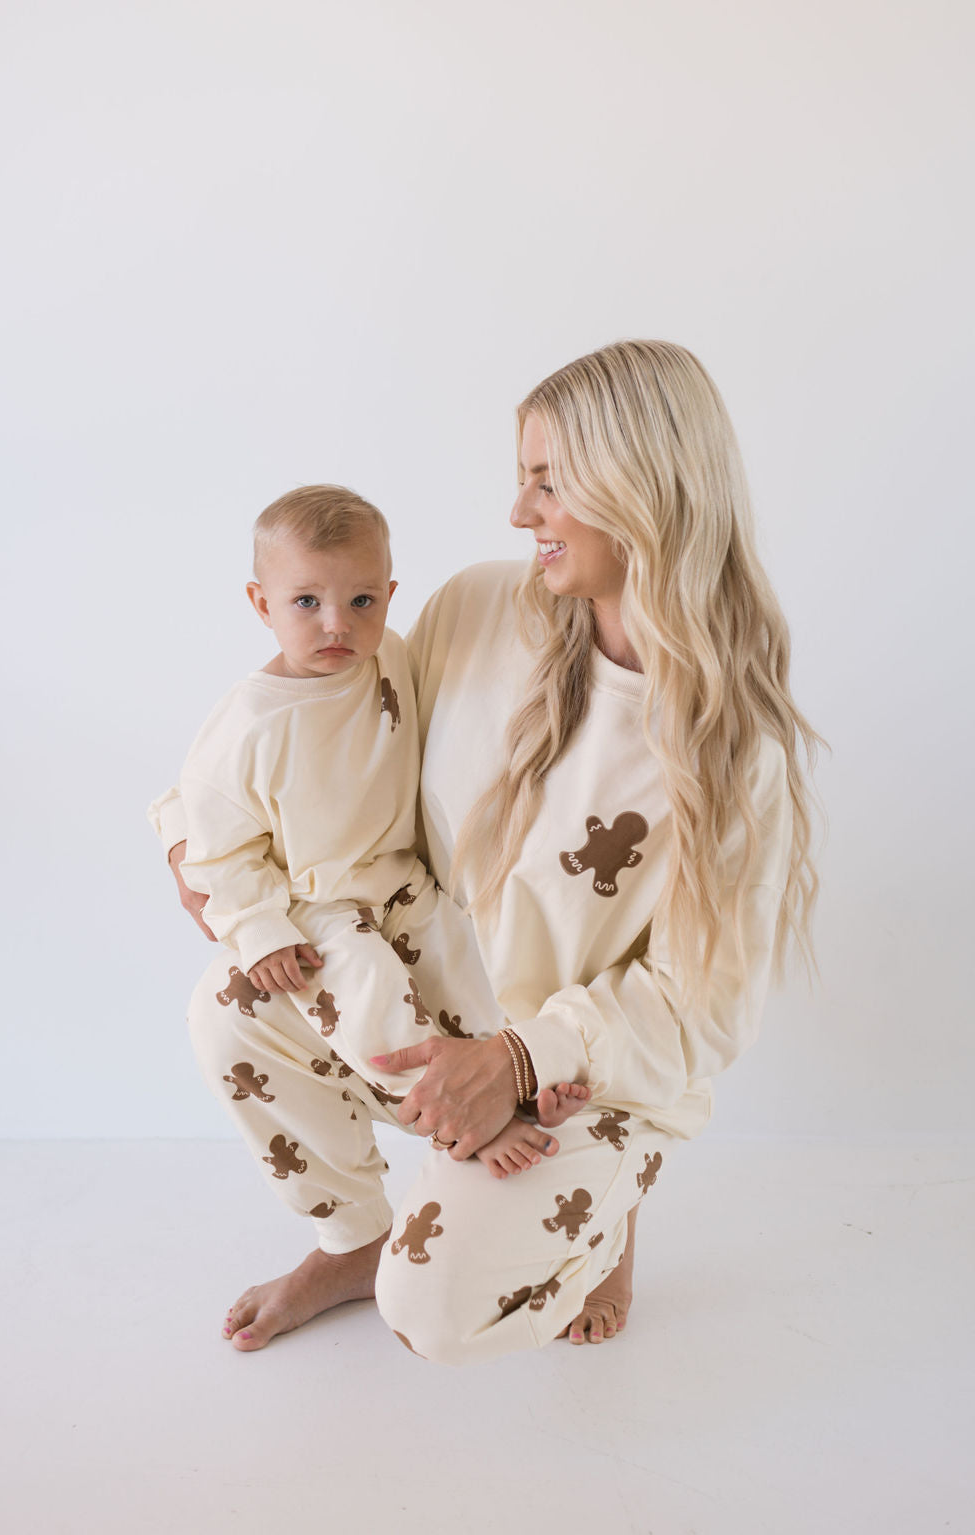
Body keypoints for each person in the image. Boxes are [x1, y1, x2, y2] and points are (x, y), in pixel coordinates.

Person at [157, 340, 822, 1364]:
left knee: (431, 1313)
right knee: (228, 1008)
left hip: (575, 1073)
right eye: (523, 480)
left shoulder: (736, 753)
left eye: (547, 482)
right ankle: (355, 1235)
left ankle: (609, 1194)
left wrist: (522, 1054)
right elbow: (341, 743)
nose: (520, 513)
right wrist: (194, 835)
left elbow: (704, 1005)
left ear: (640, 483)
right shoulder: (477, 610)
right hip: (431, 1008)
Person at [155, 484, 586, 1198]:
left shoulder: (388, 657)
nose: (337, 625)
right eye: (306, 603)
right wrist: (260, 929)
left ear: (389, 594)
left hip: (401, 881)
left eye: (361, 601)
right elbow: (216, 846)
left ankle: (524, 1084)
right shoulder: (249, 722)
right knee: (375, 999)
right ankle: (461, 1123)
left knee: (470, 974)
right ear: (262, 604)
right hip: (319, 907)